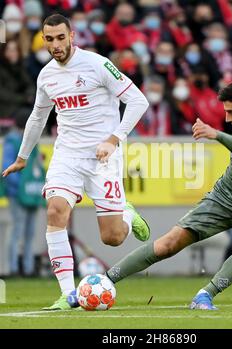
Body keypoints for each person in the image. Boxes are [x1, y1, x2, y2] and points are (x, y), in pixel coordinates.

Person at [2, 14, 150, 310]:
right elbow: (37, 117)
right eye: (49, 39)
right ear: (43, 40)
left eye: (60, 37)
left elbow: (138, 101)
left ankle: (126, 214)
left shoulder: (97, 64)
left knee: (112, 238)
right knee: (55, 211)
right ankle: (69, 294)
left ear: (72, 36)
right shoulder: (46, 76)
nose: (55, 45)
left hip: (103, 155)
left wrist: (113, 139)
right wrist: (22, 157)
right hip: (67, 155)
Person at [104, 79, 232, 310]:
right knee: (168, 244)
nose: (227, 119)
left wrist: (217, 135)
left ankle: (205, 295)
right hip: (221, 199)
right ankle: (104, 280)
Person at [2, 107, 45, 277]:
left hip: (30, 192)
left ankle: (27, 268)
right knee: (18, 230)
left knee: (29, 232)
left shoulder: (29, 139)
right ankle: (12, 268)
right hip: (18, 194)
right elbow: (7, 168)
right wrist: (21, 188)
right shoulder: (12, 140)